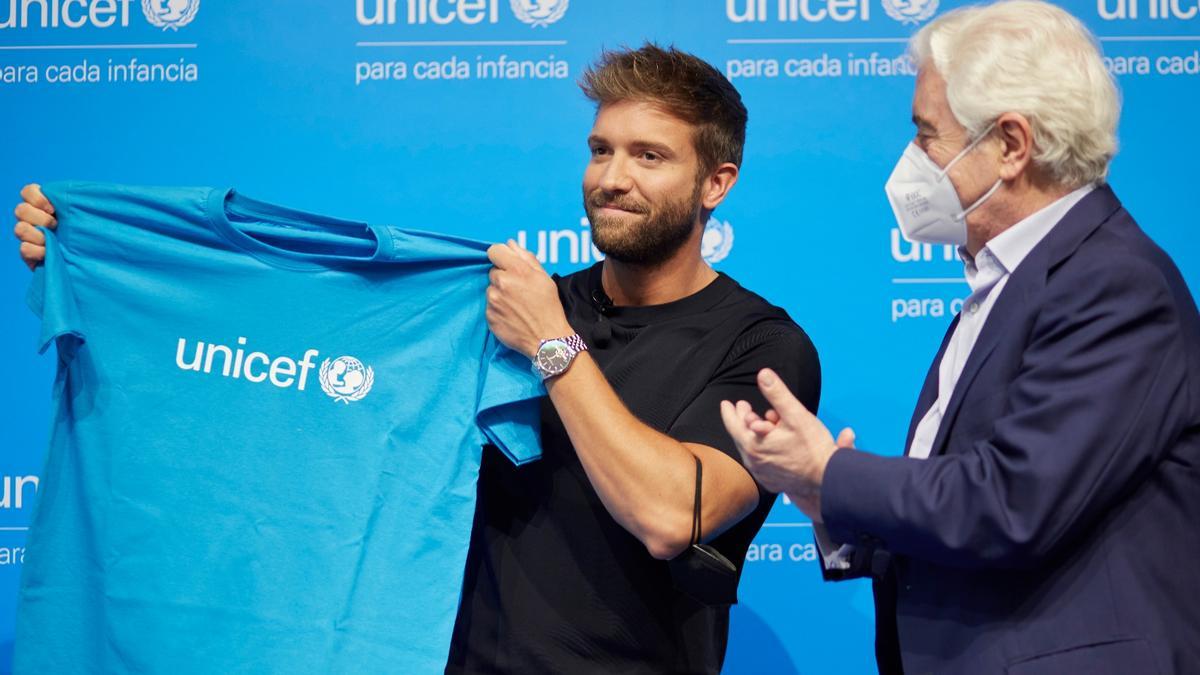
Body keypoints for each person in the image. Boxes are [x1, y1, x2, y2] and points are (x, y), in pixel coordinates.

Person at [15, 45, 821, 674]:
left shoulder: (762, 345)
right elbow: (306, 359)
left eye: (648, 156)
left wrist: (553, 346)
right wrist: (105, 257)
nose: (610, 179)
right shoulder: (500, 307)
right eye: (600, 149)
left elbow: (668, 515)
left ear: (716, 181)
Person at [721, 2, 1200, 674]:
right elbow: (968, 515)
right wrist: (822, 495)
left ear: (1010, 145)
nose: (911, 160)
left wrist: (832, 472)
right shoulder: (1010, 277)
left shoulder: (1114, 283)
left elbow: (1012, 502)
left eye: (926, 134)